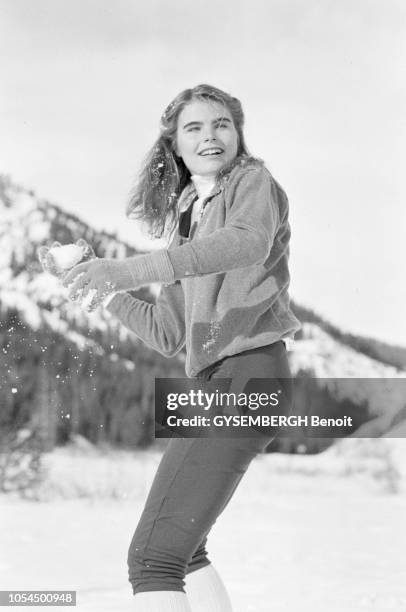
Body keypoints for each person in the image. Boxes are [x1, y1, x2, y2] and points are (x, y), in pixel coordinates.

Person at [61, 84, 301, 612]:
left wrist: (127, 268)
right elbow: (170, 334)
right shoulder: (189, 215)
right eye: (194, 127)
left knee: (153, 559)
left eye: (222, 124)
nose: (211, 135)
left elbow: (247, 242)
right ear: (173, 142)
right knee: (182, 552)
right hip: (215, 381)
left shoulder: (252, 183)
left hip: (249, 372)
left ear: (238, 134)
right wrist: (105, 287)